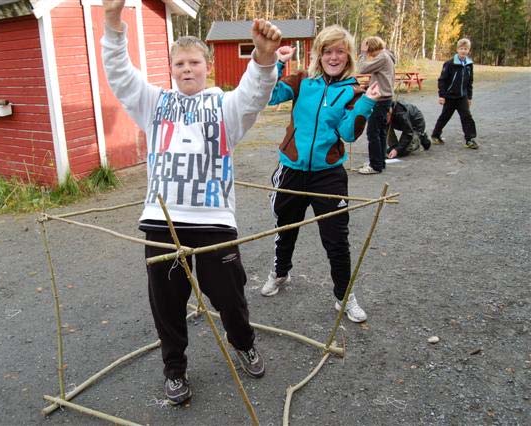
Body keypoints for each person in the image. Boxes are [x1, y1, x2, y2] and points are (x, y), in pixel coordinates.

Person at [101, 0, 281, 406]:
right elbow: (120, 75)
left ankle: (244, 343)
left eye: (194, 63)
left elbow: (254, 95)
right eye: (180, 63)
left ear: (207, 67)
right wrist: (113, 23)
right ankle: (175, 370)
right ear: (171, 69)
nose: (187, 69)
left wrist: (264, 59)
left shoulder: (225, 107)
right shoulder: (154, 104)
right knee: (166, 303)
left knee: (230, 297)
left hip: (214, 221)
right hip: (162, 222)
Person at [260, 26, 381, 324]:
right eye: (328, 51)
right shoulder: (303, 81)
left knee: (336, 239)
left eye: (340, 51)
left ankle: (344, 295)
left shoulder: (353, 90)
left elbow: (347, 133)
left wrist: (366, 103)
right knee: (285, 227)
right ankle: (280, 272)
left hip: (328, 175)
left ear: (349, 55)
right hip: (291, 169)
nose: (334, 56)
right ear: (319, 54)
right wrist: (276, 63)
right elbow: (269, 96)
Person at [356, 36, 396, 174]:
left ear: (371, 47)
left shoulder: (382, 57)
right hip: (385, 97)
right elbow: (381, 77)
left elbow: (361, 68)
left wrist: (363, 52)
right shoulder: (386, 56)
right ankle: (380, 161)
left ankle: (375, 165)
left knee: (372, 132)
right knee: (381, 132)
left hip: (380, 99)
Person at [431, 38, 478, 149]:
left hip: (462, 96)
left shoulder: (469, 64)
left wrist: (469, 97)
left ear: (468, 50)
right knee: (445, 116)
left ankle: (470, 139)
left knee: (467, 117)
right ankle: (435, 135)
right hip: (450, 96)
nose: (463, 51)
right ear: (457, 49)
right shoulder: (449, 64)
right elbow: (442, 80)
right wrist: (441, 95)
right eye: (461, 49)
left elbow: (470, 81)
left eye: (465, 49)